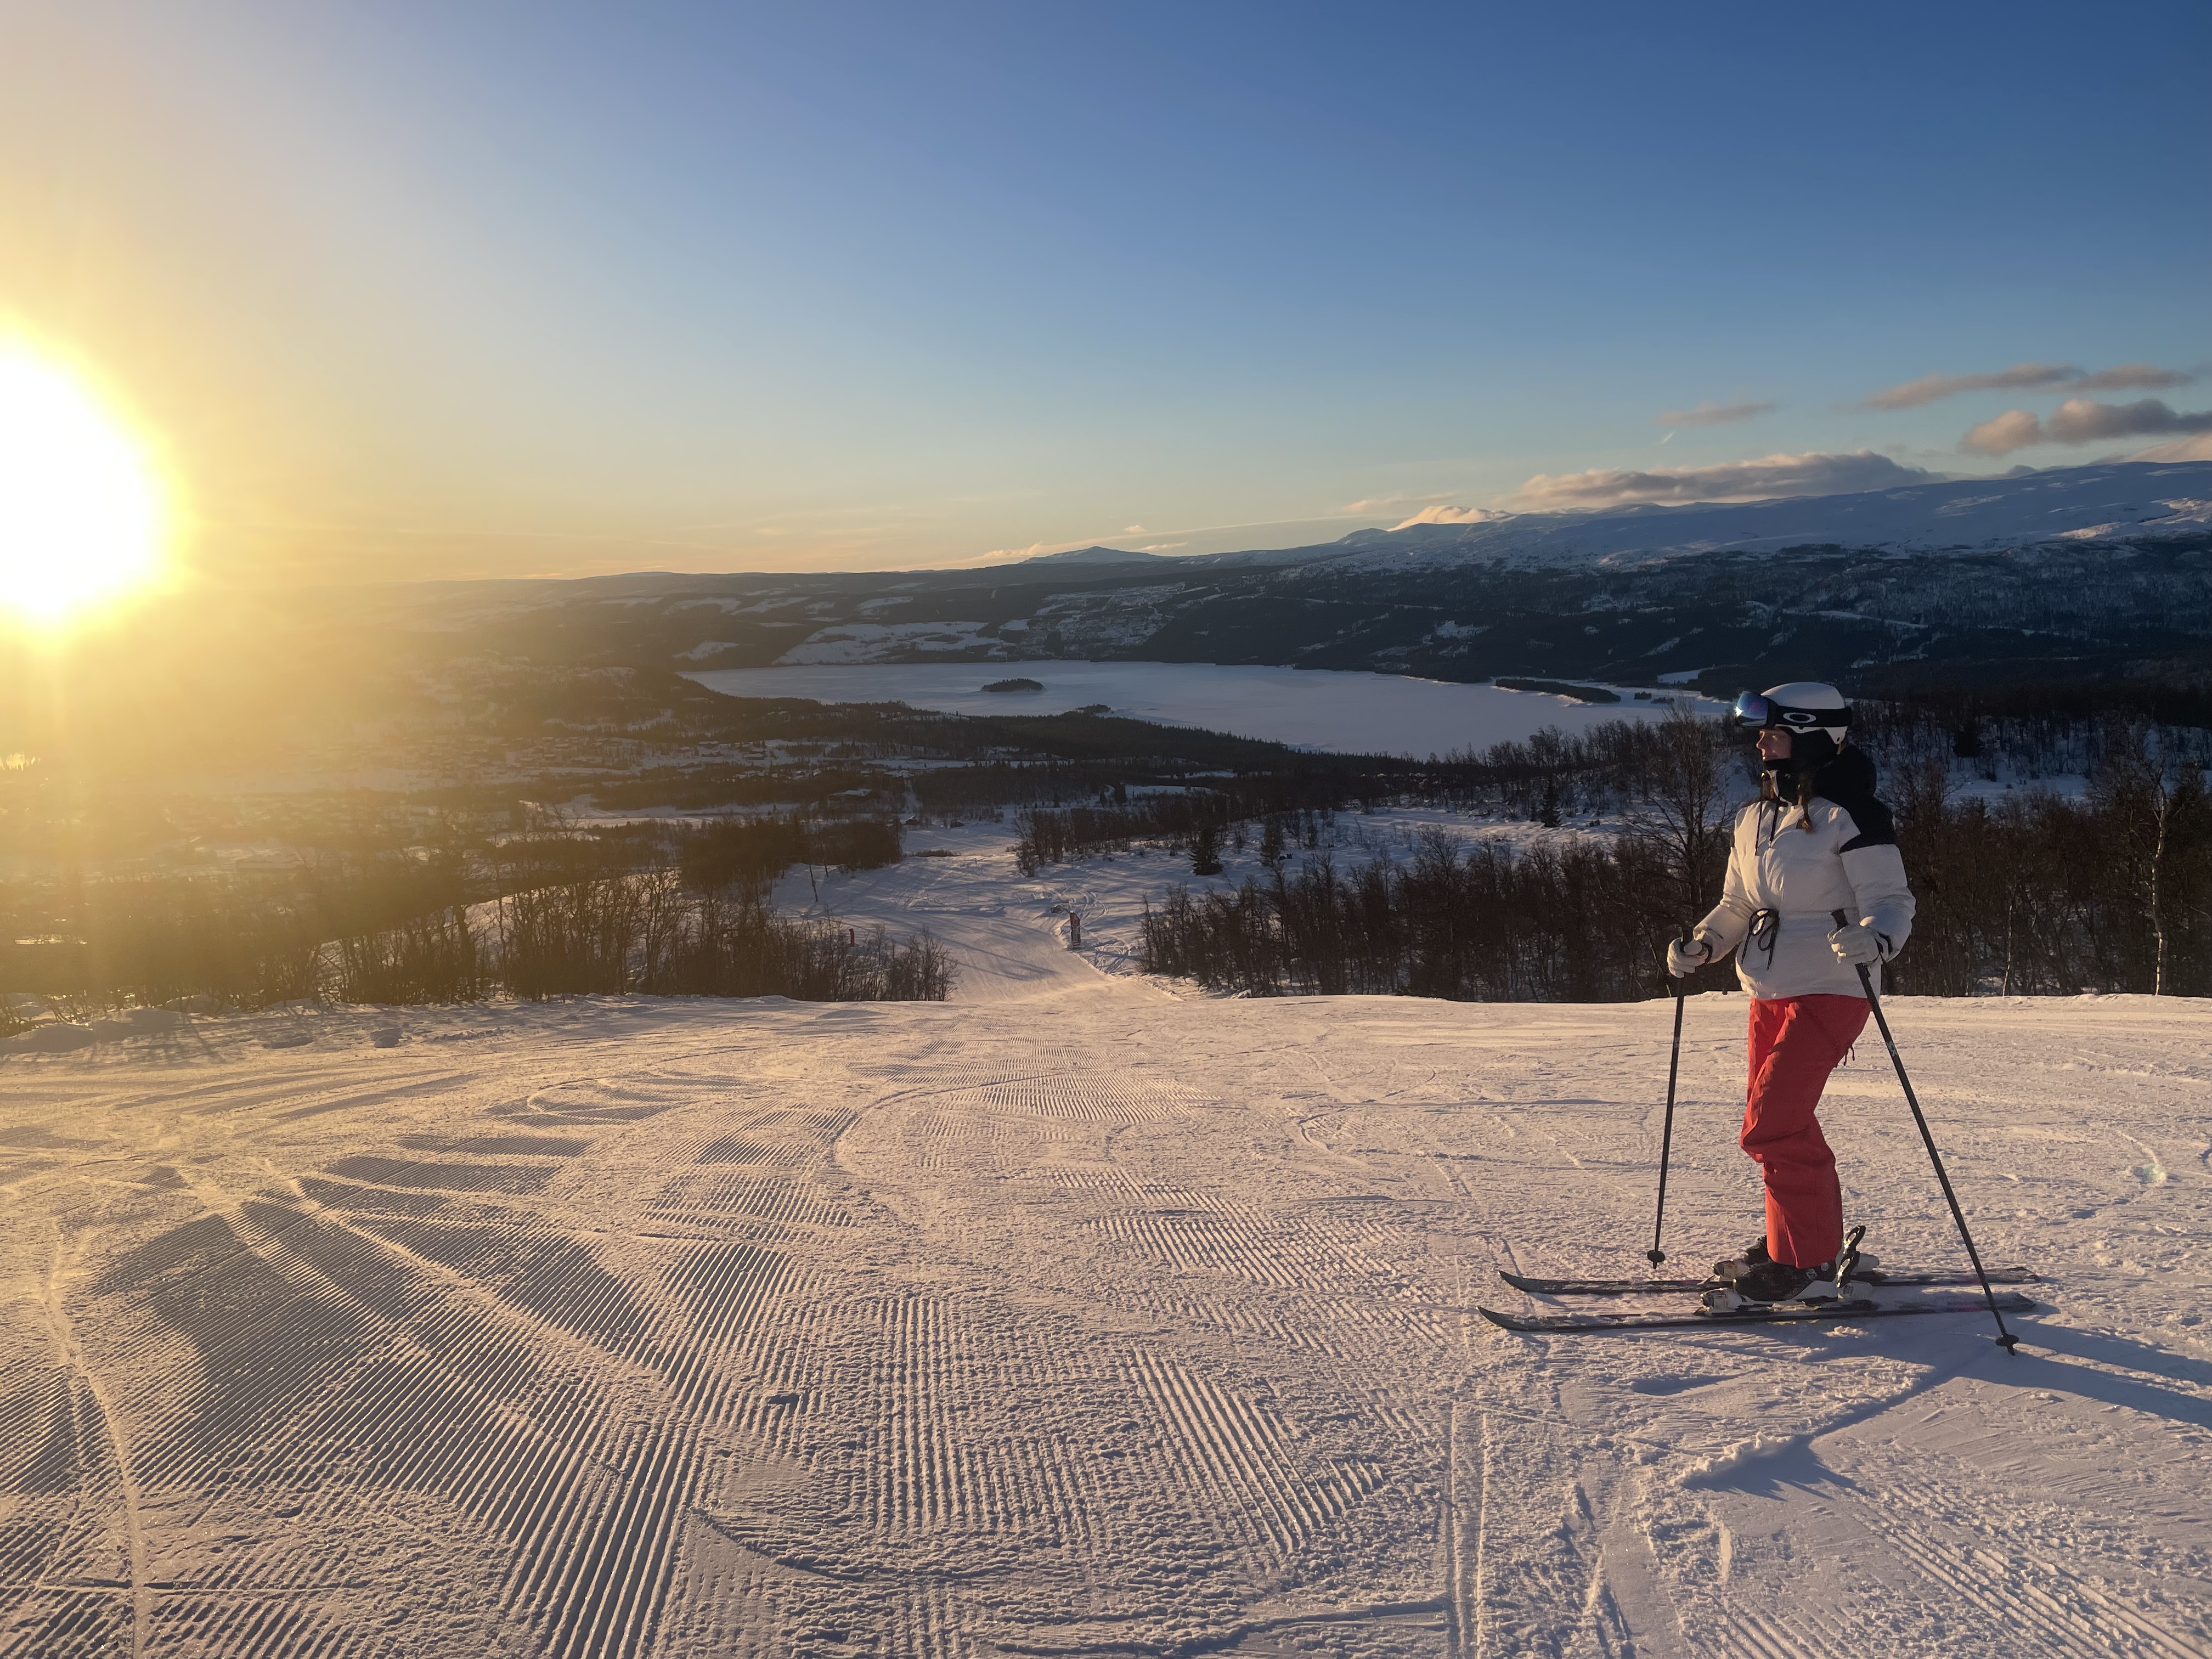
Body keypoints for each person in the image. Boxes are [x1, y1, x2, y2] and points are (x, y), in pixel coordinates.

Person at [1665, 682, 1915, 1307]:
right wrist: (1704, 943)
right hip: (1768, 987)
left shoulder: (1851, 814)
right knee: (1779, 1121)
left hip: (1832, 986)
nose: (1760, 742)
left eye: (1772, 731)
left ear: (1809, 735)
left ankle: (1806, 1262)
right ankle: (1795, 1241)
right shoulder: (1755, 817)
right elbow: (1738, 903)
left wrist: (1877, 938)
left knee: (1773, 1124)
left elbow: (1891, 899)